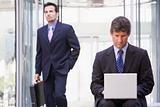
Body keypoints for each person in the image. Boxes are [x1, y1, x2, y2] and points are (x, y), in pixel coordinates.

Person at [90, 16, 154, 107]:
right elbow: (95, 85)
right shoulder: (100, 57)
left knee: (132, 104)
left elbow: (148, 83)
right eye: (116, 36)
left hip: (133, 99)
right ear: (111, 33)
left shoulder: (141, 55)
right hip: (108, 100)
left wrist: (131, 91)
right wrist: (105, 91)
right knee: (106, 104)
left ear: (128, 34)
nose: (119, 40)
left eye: (123, 36)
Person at [34, 2, 80, 107]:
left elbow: (76, 48)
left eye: (51, 11)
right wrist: (37, 71)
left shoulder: (66, 29)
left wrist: (68, 64)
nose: (48, 14)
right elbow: (39, 53)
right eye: (46, 12)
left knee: (59, 95)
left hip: (61, 68)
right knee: (48, 97)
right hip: (46, 69)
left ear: (57, 13)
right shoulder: (40, 32)